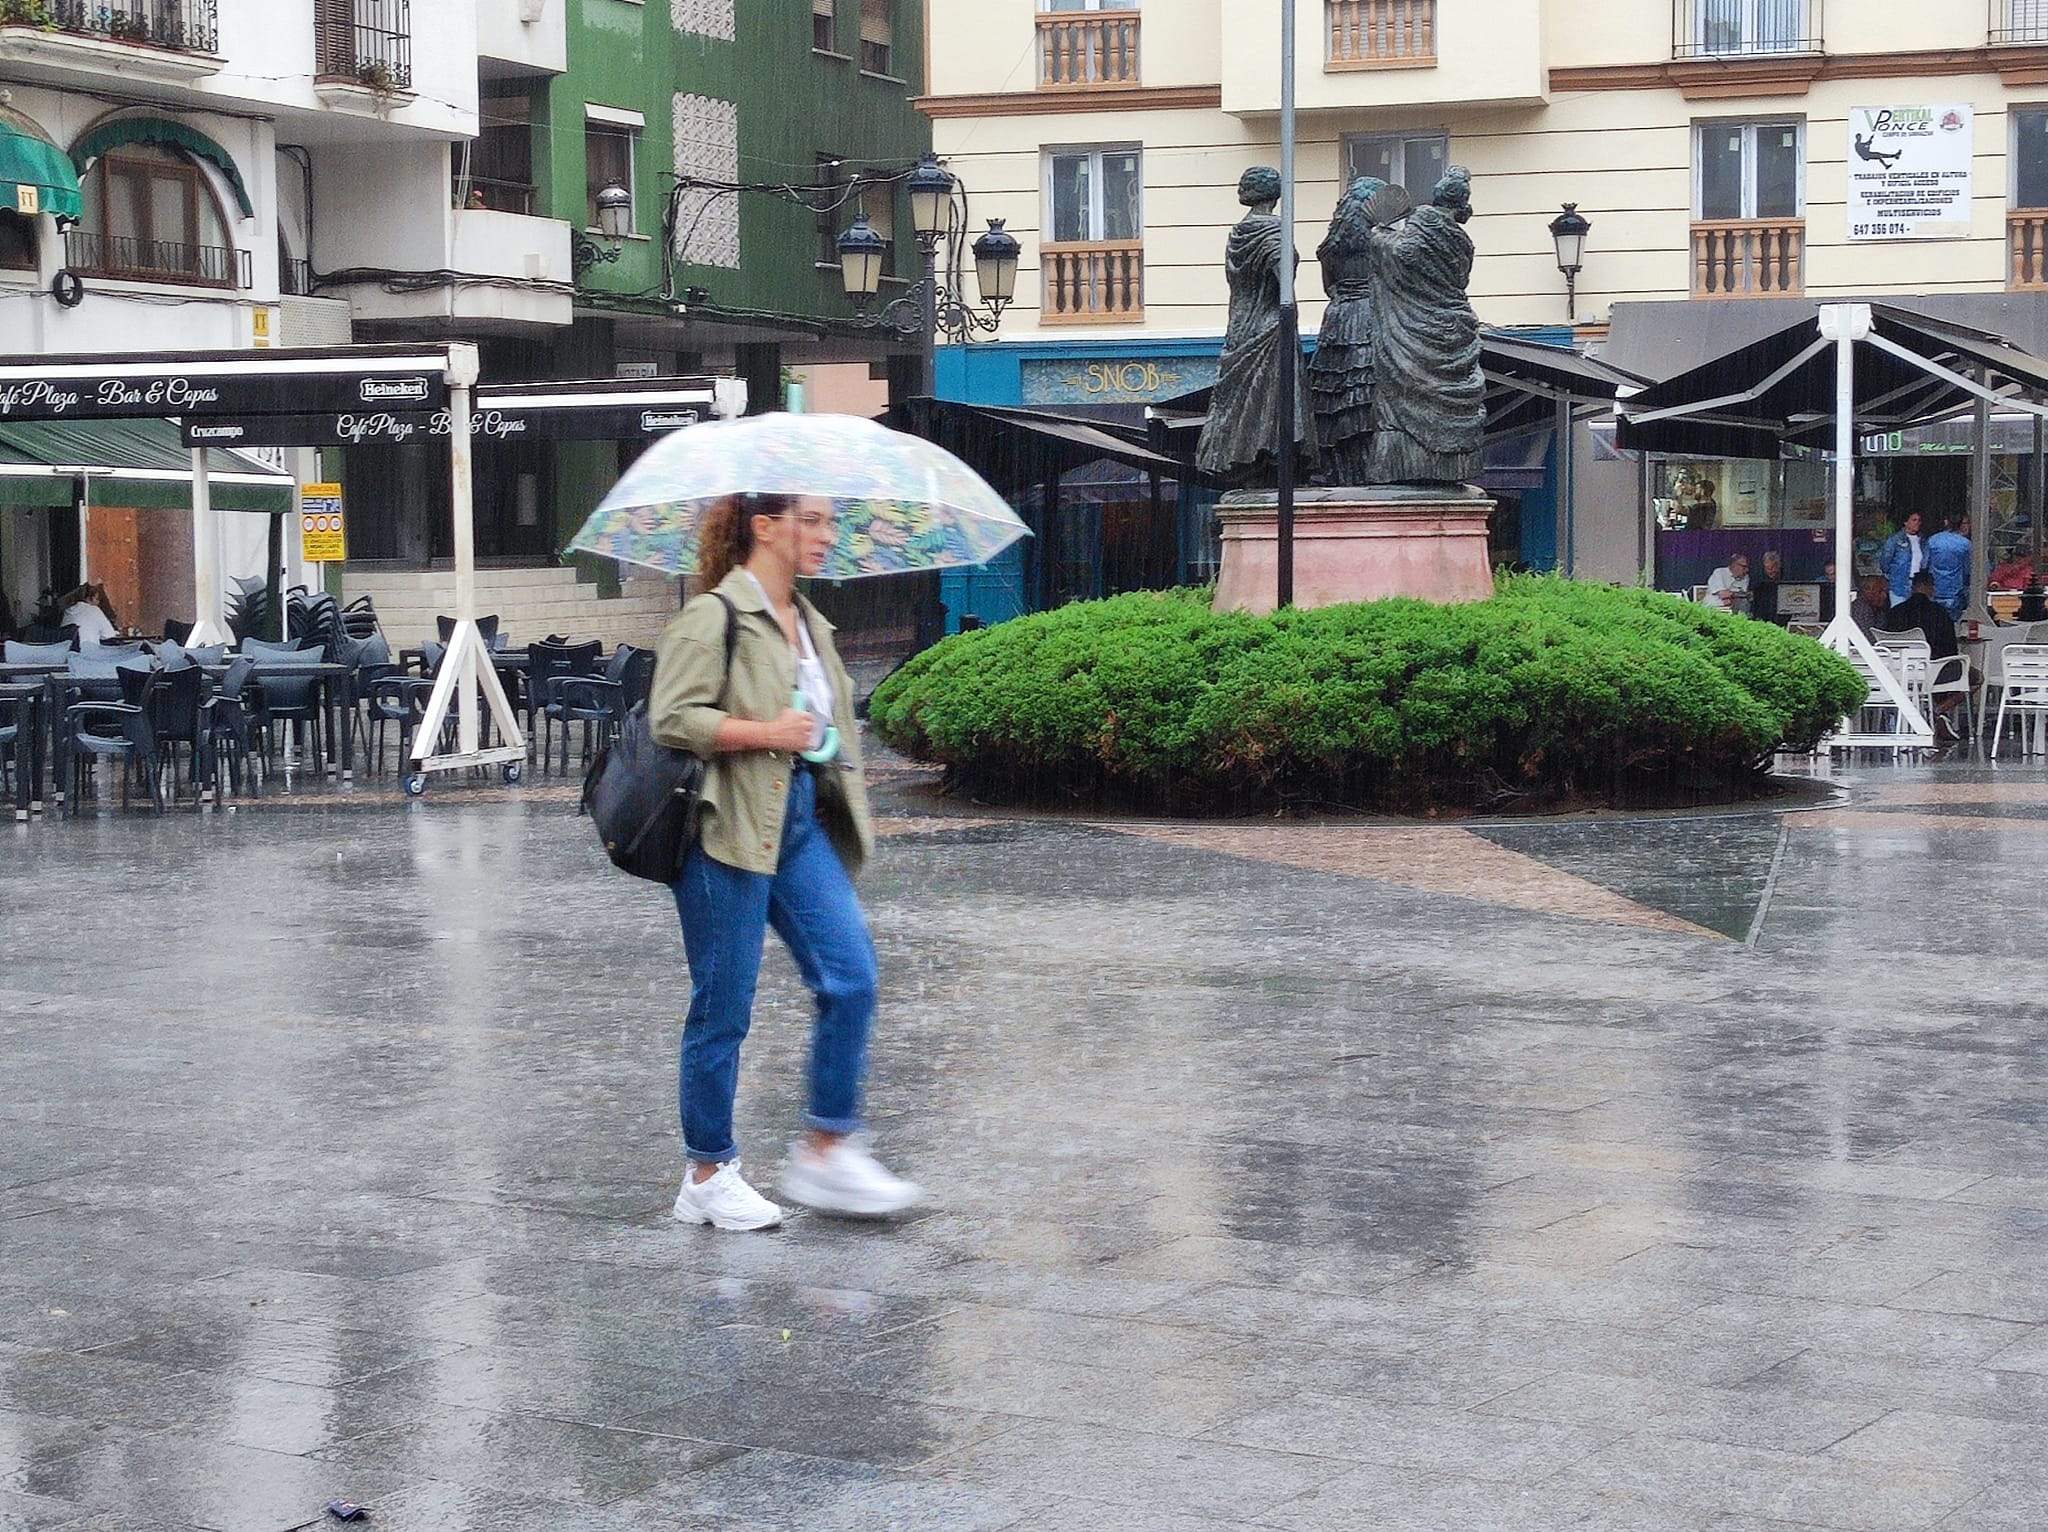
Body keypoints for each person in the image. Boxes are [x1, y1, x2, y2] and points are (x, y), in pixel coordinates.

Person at [648, 492, 919, 1232]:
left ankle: (827, 1146)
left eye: (832, 521)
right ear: (763, 527)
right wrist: (768, 729)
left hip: (797, 819)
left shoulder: (811, 622)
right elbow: (672, 716)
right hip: (724, 825)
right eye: (813, 520)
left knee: (851, 973)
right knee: (723, 1004)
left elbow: (820, 731)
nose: (828, 535)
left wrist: (815, 739)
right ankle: (707, 1172)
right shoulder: (715, 615)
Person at [1879, 571, 1959, 661]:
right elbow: (1951, 649)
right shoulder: (1940, 613)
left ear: (1912, 588)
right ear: (1931, 588)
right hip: (1933, 665)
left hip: (1900, 664)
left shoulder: (1895, 612)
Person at [1926, 513, 1970, 619]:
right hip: (1955, 592)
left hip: (1934, 591)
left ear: (1946, 522)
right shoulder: (1965, 544)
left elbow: (1924, 564)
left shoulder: (1932, 540)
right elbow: (1968, 569)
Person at [1879, 511, 1927, 607]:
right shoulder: (1894, 540)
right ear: (1905, 522)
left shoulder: (1923, 540)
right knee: (1898, 612)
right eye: (1914, 520)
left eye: (1919, 520)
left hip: (1917, 585)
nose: (1917, 523)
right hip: (1899, 585)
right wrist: (1893, 577)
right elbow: (1885, 562)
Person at [1748, 551, 1786, 625]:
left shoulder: (1786, 578)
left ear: (1779, 566)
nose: (1770, 571)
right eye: (1767, 568)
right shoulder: (1758, 581)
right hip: (1763, 617)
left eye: (1773, 567)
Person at [1851, 574, 1890, 638]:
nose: (1884, 595)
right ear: (1868, 591)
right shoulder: (1860, 610)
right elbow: (1867, 638)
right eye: (1880, 591)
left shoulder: (1877, 609)